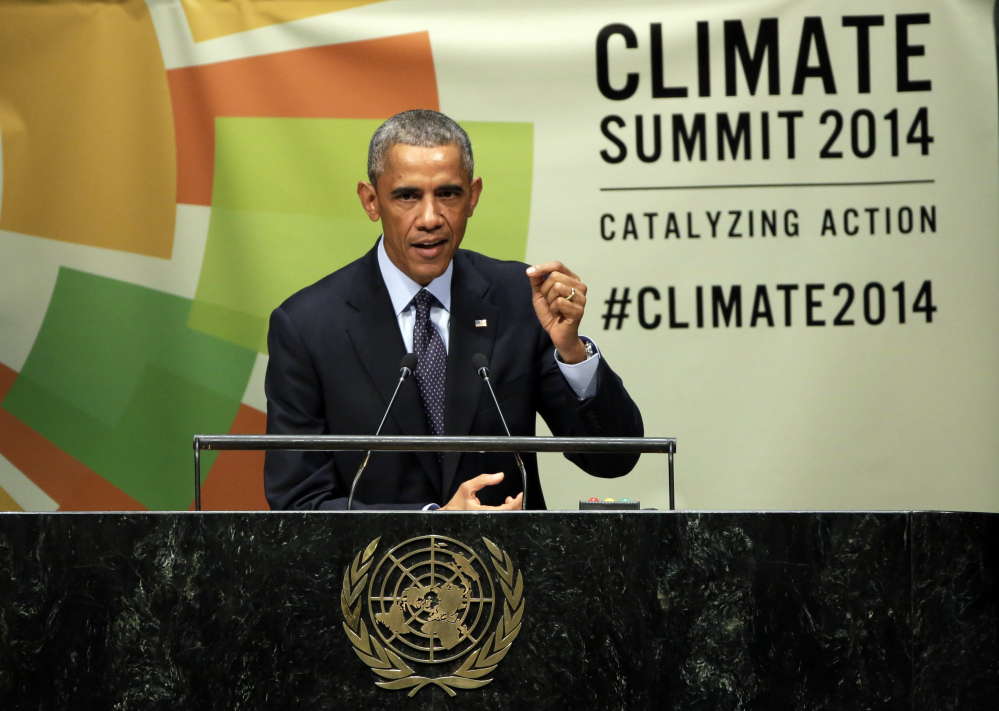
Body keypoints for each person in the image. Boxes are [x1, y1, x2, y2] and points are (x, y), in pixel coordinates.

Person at [264, 109, 643, 511]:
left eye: (448, 194)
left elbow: (613, 460)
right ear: (371, 200)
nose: (430, 218)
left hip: (512, 568)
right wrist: (434, 522)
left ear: (473, 197)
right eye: (407, 196)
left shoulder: (518, 299)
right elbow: (298, 503)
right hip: (377, 572)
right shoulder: (308, 325)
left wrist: (572, 353)